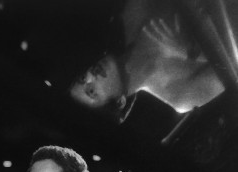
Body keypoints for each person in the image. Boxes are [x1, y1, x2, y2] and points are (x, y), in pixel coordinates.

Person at [68, 0, 224, 122]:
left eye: (82, 78)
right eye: (91, 91)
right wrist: (190, 51)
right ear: (119, 102)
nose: (89, 75)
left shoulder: (129, 17)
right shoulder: (180, 96)